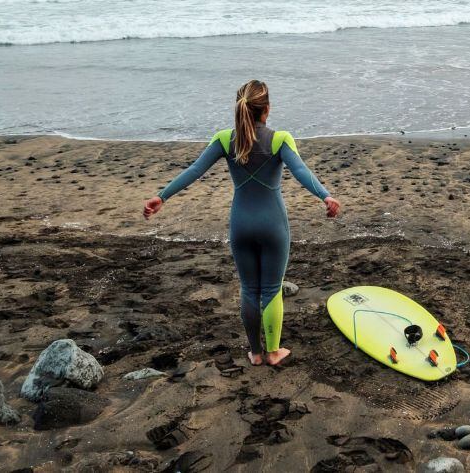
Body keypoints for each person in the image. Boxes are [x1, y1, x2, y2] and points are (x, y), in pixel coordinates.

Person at [143, 80, 340, 367]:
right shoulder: (280, 139)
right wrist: (325, 196)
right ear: (267, 109)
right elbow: (301, 170)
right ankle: (273, 352)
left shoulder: (225, 139)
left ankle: (256, 353)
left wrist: (162, 196)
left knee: (249, 289)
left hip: (241, 224)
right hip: (272, 224)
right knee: (271, 289)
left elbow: (195, 170)